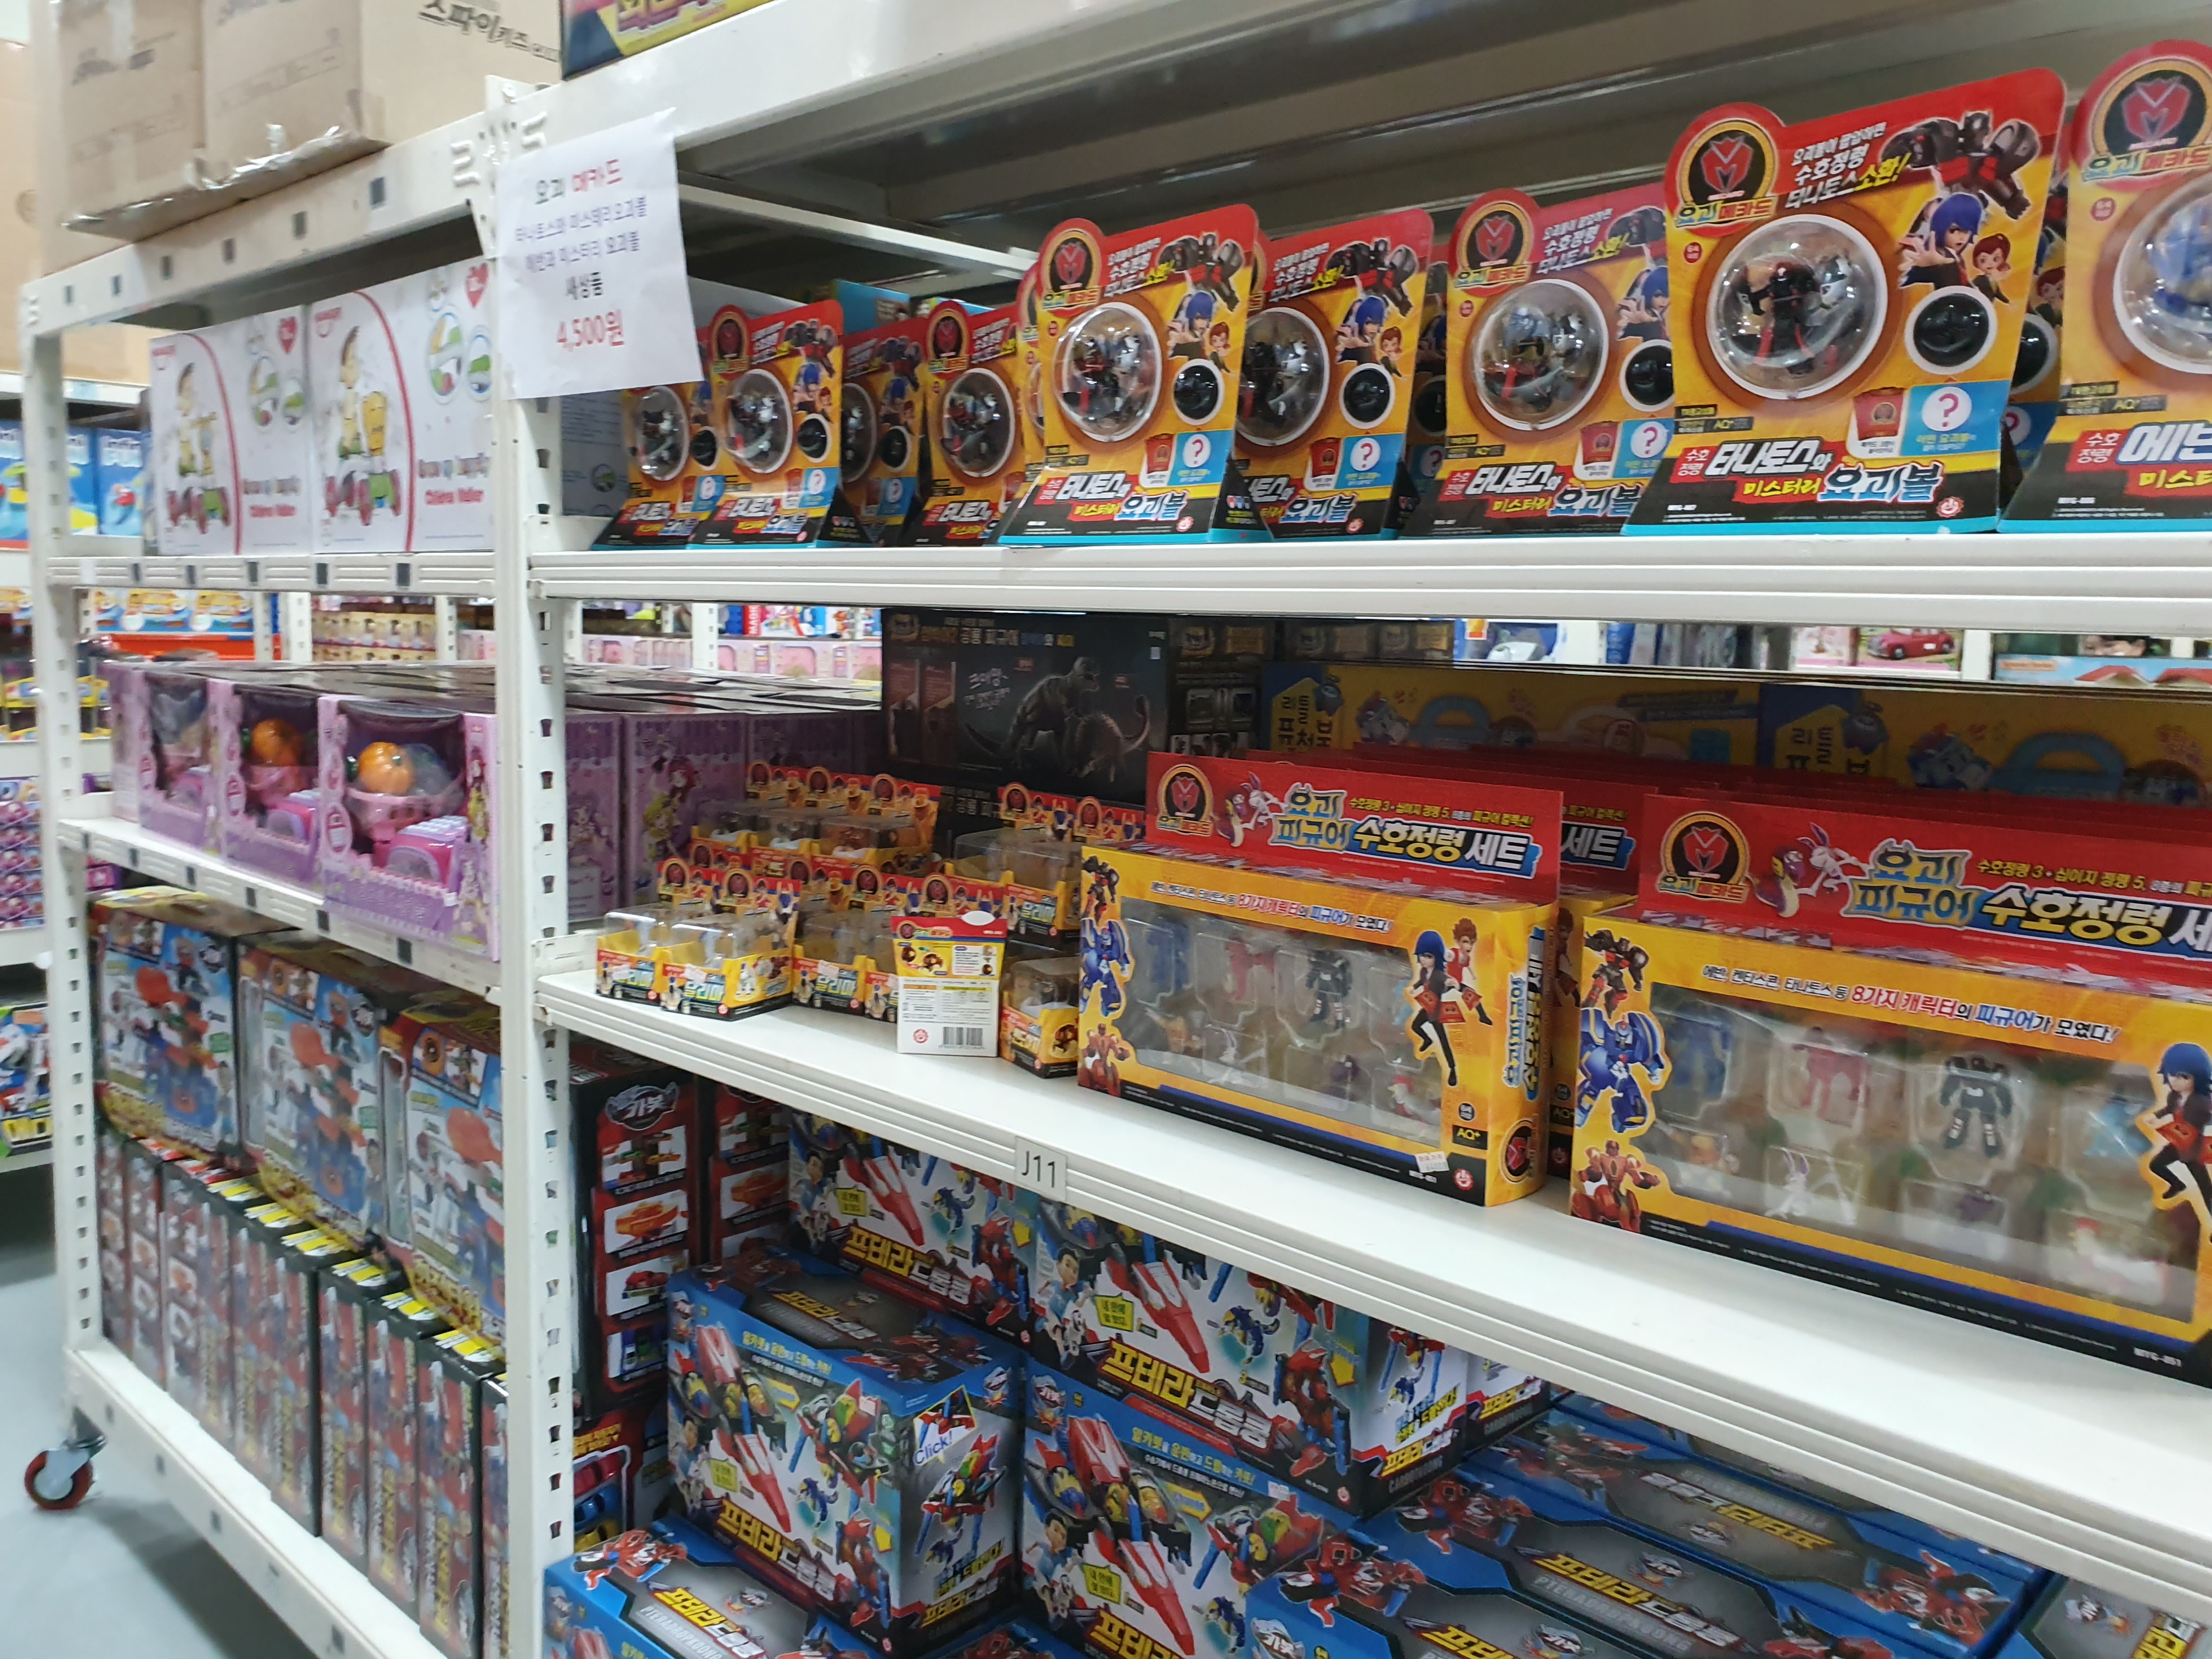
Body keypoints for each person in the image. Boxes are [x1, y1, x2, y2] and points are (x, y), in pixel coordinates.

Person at [1407, 930, 1459, 1088]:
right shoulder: (1424, 971)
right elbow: (1421, 981)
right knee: (1415, 1026)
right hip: (1427, 1007)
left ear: (1436, 957)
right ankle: (1427, 1040)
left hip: (1436, 1013)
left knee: (1444, 1042)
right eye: (1422, 956)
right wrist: (1414, 987)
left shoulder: (1438, 974)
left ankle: (1452, 1070)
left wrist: (1452, 983)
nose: (1424, 959)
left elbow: (1447, 980)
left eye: (1428, 956)